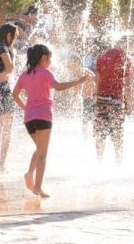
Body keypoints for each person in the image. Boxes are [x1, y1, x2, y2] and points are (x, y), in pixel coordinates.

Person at [12, 44, 90, 197]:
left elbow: (15, 94)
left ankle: (29, 173)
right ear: (44, 58)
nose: (51, 62)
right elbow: (58, 87)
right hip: (43, 116)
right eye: (50, 59)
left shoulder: (24, 75)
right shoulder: (45, 73)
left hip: (29, 119)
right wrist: (79, 81)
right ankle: (37, 187)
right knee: (43, 153)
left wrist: (26, 108)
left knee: (39, 148)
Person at [93, 38, 133, 163]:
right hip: (117, 100)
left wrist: (95, 94)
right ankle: (118, 160)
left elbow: (97, 78)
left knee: (100, 129)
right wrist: (129, 103)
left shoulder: (102, 56)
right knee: (117, 129)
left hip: (102, 98)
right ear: (125, 45)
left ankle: (99, 160)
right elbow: (127, 84)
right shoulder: (127, 59)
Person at [0, 23, 18, 173]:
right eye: (14, 36)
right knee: (6, 130)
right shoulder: (3, 48)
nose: (14, 40)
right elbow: (11, 68)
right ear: (8, 35)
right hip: (4, 89)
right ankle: (1, 165)